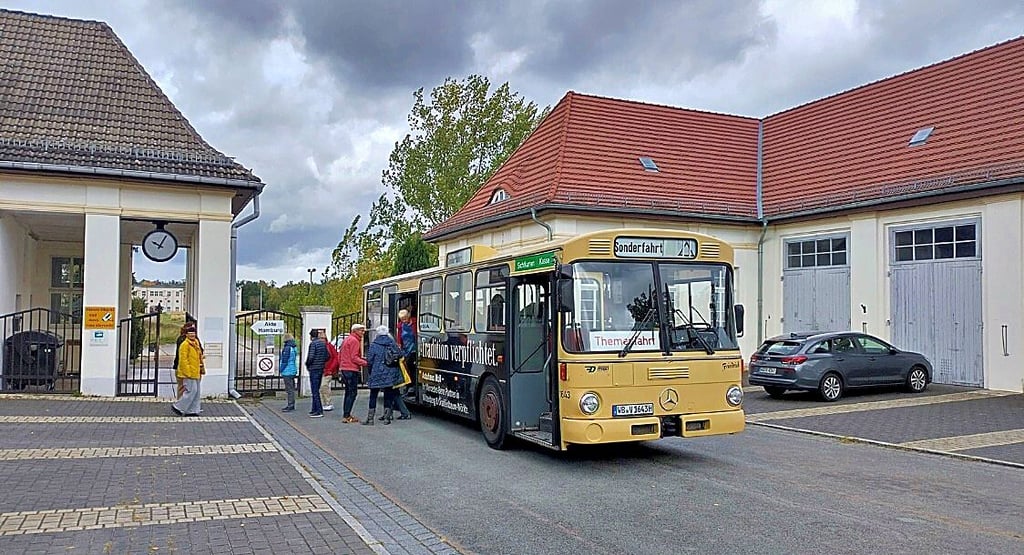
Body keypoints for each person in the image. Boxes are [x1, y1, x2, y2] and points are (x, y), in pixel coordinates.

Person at [363, 325, 401, 425]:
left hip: (376, 372)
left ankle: (370, 419)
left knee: (373, 395)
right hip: (390, 372)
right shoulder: (392, 343)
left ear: (377, 333)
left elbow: (370, 360)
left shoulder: (374, 345)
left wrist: (371, 371)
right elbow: (399, 354)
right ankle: (387, 418)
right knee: (388, 395)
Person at [171, 323, 204, 416]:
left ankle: (192, 410)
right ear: (186, 334)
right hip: (189, 372)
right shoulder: (184, 344)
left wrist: (202, 367)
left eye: (193, 333)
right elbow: (183, 360)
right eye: (190, 333)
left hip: (196, 370)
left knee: (196, 392)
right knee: (191, 390)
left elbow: (199, 355)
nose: (192, 335)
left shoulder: (196, 343)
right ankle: (178, 406)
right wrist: (187, 372)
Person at [338, 323, 368, 423]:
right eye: (361, 330)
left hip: (345, 368)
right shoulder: (354, 341)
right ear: (355, 331)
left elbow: (341, 354)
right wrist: (366, 363)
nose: (363, 332)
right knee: (352, 393)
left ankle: (346, 414)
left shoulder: (347, 339)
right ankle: (347, 415)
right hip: (351, 369)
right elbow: (354, 358)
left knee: (348, 393)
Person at [305, 328, 329, 418]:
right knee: (317, 389)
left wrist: (307, 364)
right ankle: (314, 409)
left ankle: (318, 410)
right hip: (320, 368)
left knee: (314, 391)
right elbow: (328, 356)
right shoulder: (323, 344)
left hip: (314, 368)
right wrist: (322, 361)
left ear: (311, 336)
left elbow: (311, 357)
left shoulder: (313, 344)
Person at [319, 330, 340, 412]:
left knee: (324, 386)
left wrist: (331, 369)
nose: (321, 340)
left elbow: (335, 358)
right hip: (322, 370)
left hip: (328, 370)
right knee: (322, 387)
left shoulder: (329, 346)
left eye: (322, 338)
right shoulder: (322, 347)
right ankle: (325, 403)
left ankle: (328, 403)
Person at [279, 333, 298, 412]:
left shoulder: (287, 348)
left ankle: (290, 405)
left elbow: (285, 360)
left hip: (287, 371)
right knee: (291, 388)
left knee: (289, 389)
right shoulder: (294, 347)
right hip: (292, 369)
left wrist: (281, 369)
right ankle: (291, 404)